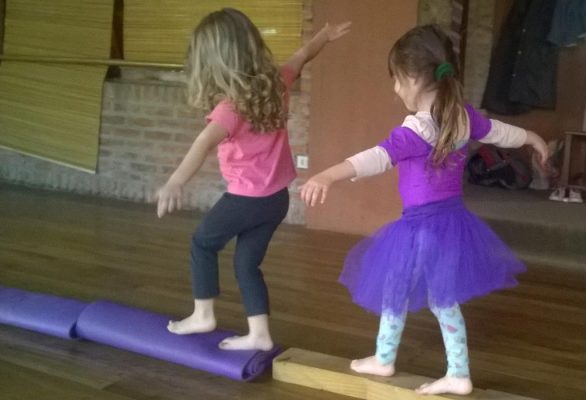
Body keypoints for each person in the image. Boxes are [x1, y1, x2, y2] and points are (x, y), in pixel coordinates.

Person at [300, 25, 548, 395]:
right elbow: (499, 132)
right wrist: (532, 137)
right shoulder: (461, 115)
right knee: (425, 294)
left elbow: (378, 157)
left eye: (397, 81)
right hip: (451, 221)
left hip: (420, 227)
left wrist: (329, 175)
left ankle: (425, 367)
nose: (396, 89)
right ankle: (421, 365)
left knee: (418, 294)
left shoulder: (417, 128)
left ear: (414, 79)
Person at [155, 8, 351, 351]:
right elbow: (302, 56)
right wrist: (324, 36)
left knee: (203, 243)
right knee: (246, 264)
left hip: (245, 201)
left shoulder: (230, 109)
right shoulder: (275, 84)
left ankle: (203, 314)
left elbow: (202, 143)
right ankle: (259, 334)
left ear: (214, 63)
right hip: (276, 200)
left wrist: (175, 182)